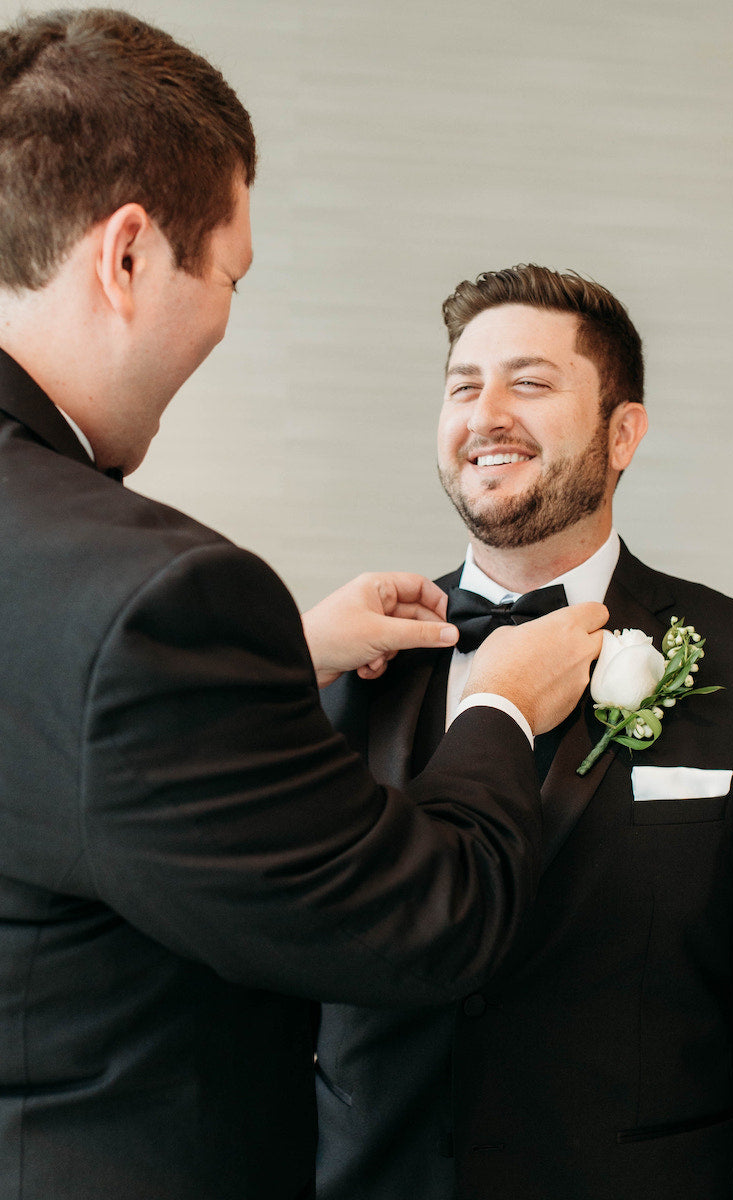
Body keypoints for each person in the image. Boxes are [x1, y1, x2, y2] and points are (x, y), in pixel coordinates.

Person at [0, 18, 607, 1200]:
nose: (227, 320)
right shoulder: (160, 602)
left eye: (529, 380)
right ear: (126, 256)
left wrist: (278, 651)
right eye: (227, 275)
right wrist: (496, 710)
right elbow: (429, 918)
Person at [316, 264, 733, 1200]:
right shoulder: (351, 665)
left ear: (624, 434)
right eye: (464, 385)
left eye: (530, 382)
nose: (486, 413)